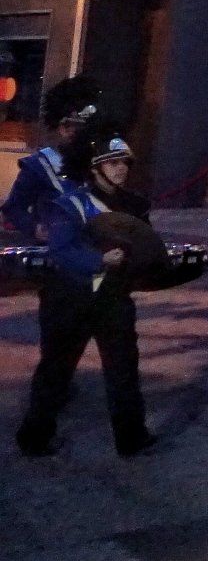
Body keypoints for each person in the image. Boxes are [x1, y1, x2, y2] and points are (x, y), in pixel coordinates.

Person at [15, 120, 158, 458]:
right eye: (113, 163)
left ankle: (131, 437)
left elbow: (145, 245)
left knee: (123, 369)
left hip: (112, 297)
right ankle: (34, 437)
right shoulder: (70, 203)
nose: (121, 169)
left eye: (124, 163)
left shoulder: (135, 205)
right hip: (69, 297)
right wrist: (99, 260)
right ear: (94, 169)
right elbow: (61, 249)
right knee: (57, 370)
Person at [2, 76, 99, 240]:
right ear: (58, 126)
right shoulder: (39, 165)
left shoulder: (99, 162)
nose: (70, 132)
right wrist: (35, 227)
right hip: (53, 250)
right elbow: (13, 209)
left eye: (77, 126)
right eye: (66, 125)